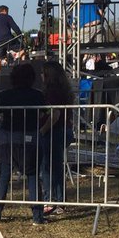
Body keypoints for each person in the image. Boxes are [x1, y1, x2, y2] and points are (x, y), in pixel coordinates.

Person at [0, 63, 45, 225]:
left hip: (8, 140)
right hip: (30, 140)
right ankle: (37, 217)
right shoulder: (37, 95)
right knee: (33, 176)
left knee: (3, 176)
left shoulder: (5, 95)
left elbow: (1, 112)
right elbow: (45, 112)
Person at [38, 62, 75, 216]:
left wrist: (42, 130)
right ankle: (59, 201)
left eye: (42, 73)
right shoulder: (65, 91)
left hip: (53, 131)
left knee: (46, 168)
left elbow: (55, 115)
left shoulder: (50, 93)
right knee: (57, 167)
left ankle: (50, 200)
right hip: (63, 130)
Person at [0, 5, 23, 74]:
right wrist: (20, 36)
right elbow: (15, 27)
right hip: (8, 39)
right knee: (22, 48)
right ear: (5, 10)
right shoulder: (7, 17)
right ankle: (18, 59)